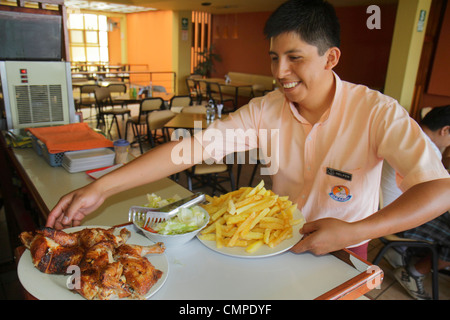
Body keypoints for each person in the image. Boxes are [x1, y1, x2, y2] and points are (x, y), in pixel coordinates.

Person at [46, 0, 450, 261]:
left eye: (294, 58)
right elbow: (188, 150)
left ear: (331, 58)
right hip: (273, 239)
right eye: (274, 57)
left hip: (344, 243)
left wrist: (355, 231)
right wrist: (102, 187)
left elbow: (438, 190)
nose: (279, 73)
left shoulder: (376, 112)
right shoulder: (267, 110)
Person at [380, 105, 450, 300]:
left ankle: (401, 252)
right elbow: (436, 198)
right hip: (396, 217)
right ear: (445, 130)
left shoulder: (409, 136)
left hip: (385, 207)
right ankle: (413, 272)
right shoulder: (427, 150)